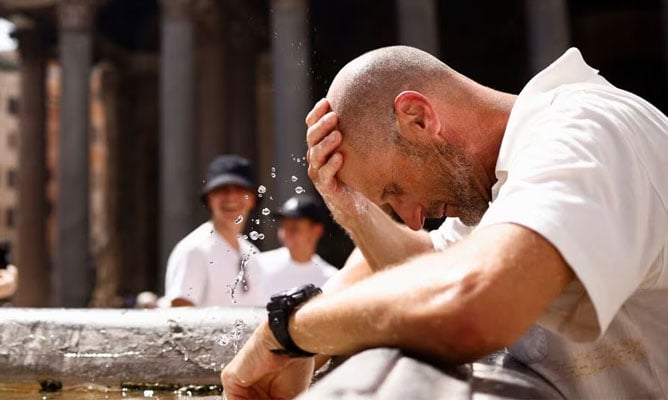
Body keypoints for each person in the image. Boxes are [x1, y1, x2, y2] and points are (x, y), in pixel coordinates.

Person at [221, 46, 668, 399]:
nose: (414, 219)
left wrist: (287, 332)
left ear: (418, 117)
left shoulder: (585, 132)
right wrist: (350, 206)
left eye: (395, 191)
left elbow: (471, 305)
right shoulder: (494, 183)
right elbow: (417, 268)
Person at [162, 154, 262, 307]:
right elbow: (181, 321)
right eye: (222, 190)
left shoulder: (252, 253)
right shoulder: (194, 250)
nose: (231, 197)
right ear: (209, 198)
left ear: (253, 199)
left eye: (240, 189)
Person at [246, 194, 338, 303]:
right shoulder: (259, 264)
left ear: (316, 231)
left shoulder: (331, 278)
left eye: (294, 228)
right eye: (284, 226)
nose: (287, 233)